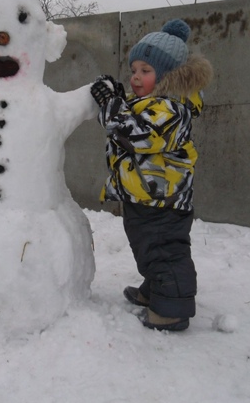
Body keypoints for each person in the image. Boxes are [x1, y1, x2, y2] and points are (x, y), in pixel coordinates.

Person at [90, 19, 213, 331]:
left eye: (145, 71)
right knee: (148, 247)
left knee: (163, 252)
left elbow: (134, 134)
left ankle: (172, 309)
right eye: (134, 70)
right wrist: (118, 99)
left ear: (167, 75)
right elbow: (132, 116)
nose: (135, 77)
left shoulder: (171, 108)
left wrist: (109, 104)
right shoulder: (154, 103)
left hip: (162, 202)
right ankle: (158, 289)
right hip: (147, 198)